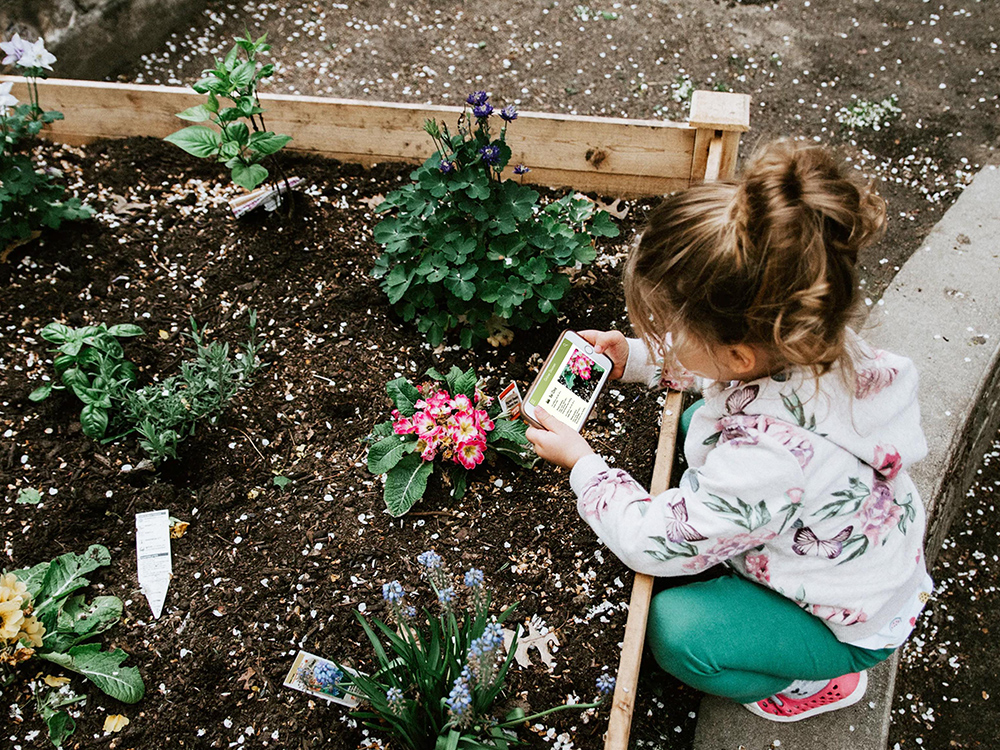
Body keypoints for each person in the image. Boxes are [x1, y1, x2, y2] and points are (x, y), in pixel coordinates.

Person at [525, 139, 932, 722]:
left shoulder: (764, 461)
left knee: (676, 632)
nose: (663, 332)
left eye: (669, 326)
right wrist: (637, 358)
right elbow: (725, 371)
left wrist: (583, 464)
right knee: (697, 421)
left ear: (739, 353)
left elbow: (652, 543)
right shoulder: (817, 341)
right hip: (855, 551)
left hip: (844, 620)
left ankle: (813, 681)